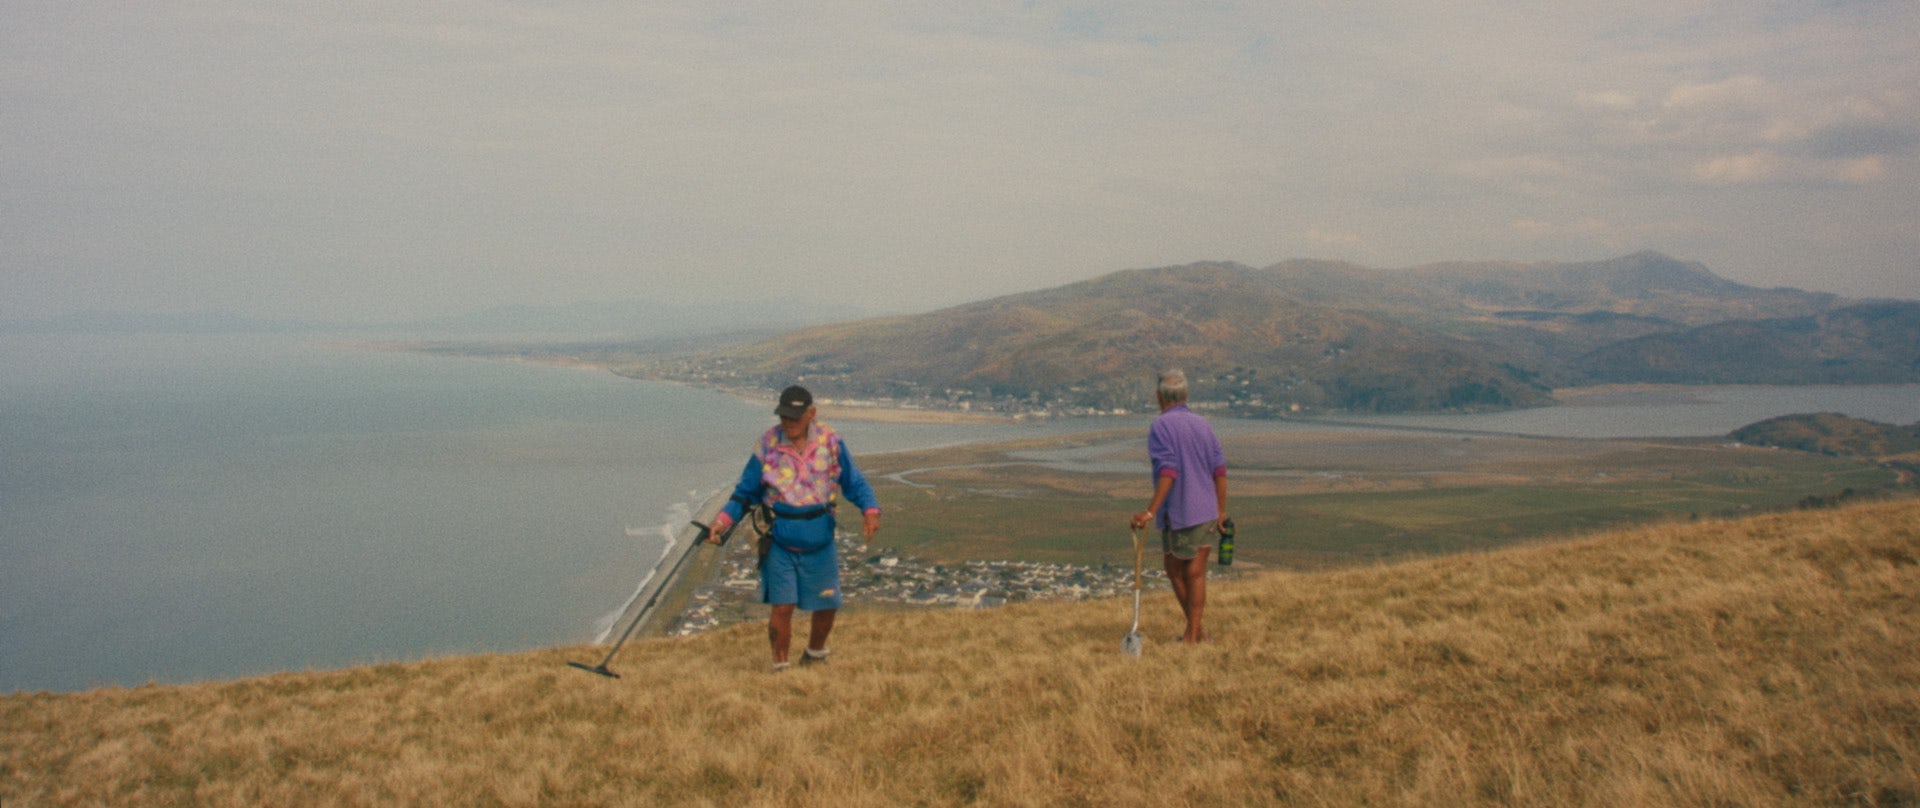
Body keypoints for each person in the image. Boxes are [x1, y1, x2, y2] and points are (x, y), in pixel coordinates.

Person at [707, 385, 881, 671]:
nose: (788, 423)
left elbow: (854, 482)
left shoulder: (830, 441)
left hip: (820, 539)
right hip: (779, 540)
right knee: (782, 605)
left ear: (811, 414)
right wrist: (722, 521)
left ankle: (814, 655)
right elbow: (745, 491)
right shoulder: (767, 444)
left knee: (827, 603)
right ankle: (781, 668)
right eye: (784, 416)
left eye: (795, 417)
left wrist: (870, 510)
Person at [1129, 369, 1228, 644]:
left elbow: (1168, 471)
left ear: (1158, 397)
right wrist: (1221, 510)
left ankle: (1192, 635)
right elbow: (1219, 470)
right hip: (1207, 509)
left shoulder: (1161, 426)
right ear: (1185, 395)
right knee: (1194, 572)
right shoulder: (1203, 424)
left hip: (1181, 511)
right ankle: (1196, 634)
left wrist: (1150, 511)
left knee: (1179, 572)